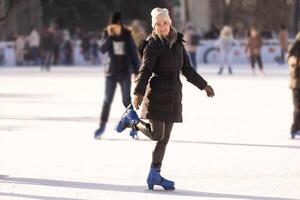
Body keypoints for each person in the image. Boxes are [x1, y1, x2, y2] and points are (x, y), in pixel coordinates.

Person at [114, 8, 215, 190]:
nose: (162, 27)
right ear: (154, 26)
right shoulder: (153, 45)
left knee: (164, 139)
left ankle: (155, 174)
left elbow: (187, 70)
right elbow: (145, 71)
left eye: (165, 23)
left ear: (170, 23)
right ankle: (131, 120)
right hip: (157, 94)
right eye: (158, 24)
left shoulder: (178, 43)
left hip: (174, 95)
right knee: (156, 134)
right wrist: (138, 92)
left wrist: (203, 85)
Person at [94, 11, 140, 139]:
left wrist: (137, 70)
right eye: (113, 24)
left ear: (120, 23)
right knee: (107, 100)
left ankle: (134, 128)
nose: (115, 26)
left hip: (125, 72)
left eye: (117, 24)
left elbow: (133, 53)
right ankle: (101, 127)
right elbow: (102, 49)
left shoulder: (127, 34)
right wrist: (109, 36)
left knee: (127, 100)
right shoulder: (107, 33)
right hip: (111, 72)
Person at [287, 32, 300, 139]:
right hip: (297, 83)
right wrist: (296, 62)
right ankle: (294, 129)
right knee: (298, 107)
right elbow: (289, 58)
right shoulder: (296, 43)